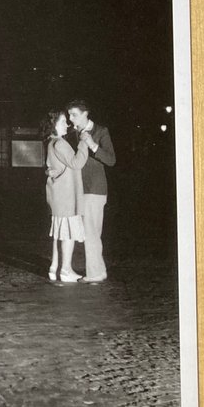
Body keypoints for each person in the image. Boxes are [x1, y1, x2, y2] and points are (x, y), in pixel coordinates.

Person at [67, 99, 117, 283]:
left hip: (95, 189)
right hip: (79, 188)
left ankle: (95, 273)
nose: (71, 119)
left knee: (91, 232)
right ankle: (99, 270)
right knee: (90, 232)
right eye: (70, 115)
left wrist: (93, 145)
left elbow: (111, 160)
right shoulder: (72, 133)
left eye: (75, 115)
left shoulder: (101, 131)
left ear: (86, 113)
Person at [42, 110, 90, 283]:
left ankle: (54, 268)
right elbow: (77, 163)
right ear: (53, 125)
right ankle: (66, 270)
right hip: (67, 197)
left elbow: (50, 168)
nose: (67, 125)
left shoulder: (51, 143)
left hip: (59, 196)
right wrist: (83, 143)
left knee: (59, 234)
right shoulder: (60, 143)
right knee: (68, 234)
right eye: (63, 122)